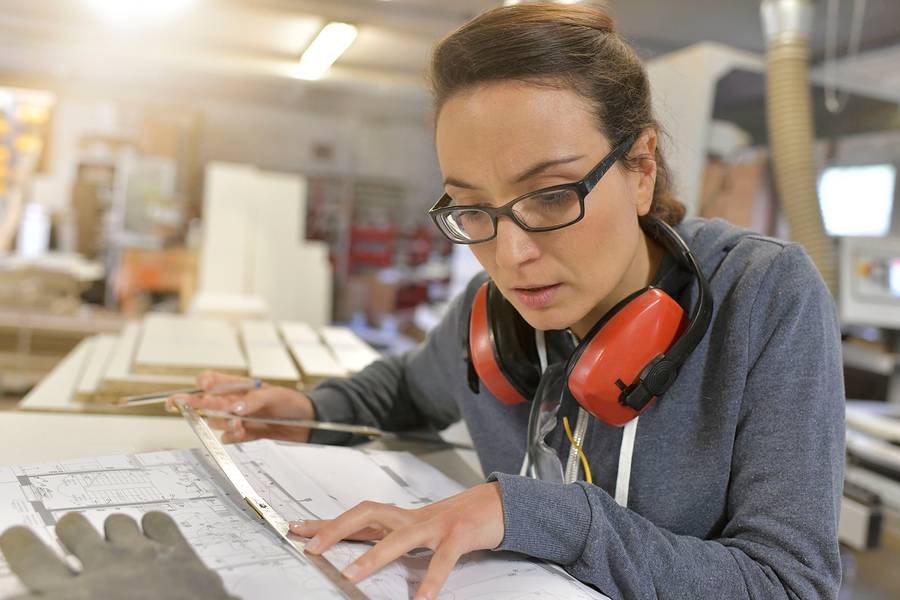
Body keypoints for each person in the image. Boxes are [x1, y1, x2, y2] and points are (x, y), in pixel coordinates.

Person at [170, 3, 845, 600]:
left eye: (552, 195)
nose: (511, 256)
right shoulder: (491, 311)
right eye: (471, 209)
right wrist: (313, 410)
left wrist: (538, 513)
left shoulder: (764, 296)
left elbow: (789, 584)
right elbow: (407, 387)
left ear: (640, 168)